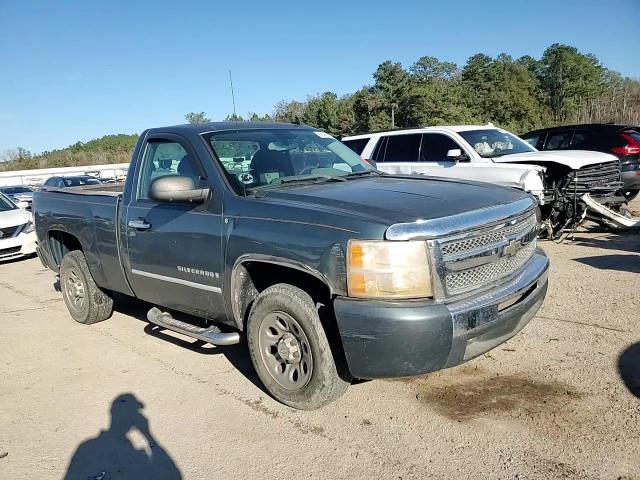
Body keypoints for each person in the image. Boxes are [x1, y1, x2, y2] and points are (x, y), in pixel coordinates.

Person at [64, 393, 181, 480]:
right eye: (133, 413)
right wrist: (148, 436)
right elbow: (173, 475)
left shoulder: (87, 446)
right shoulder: (89, 448)